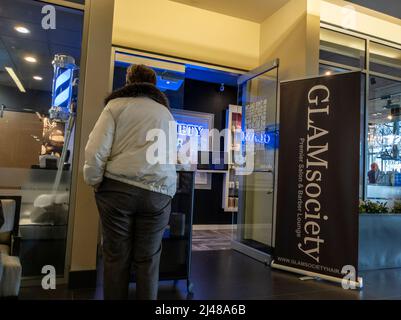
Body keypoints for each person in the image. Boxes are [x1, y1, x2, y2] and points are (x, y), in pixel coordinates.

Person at [83, 64, 177, 300]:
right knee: (148, 260)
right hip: (158, 194)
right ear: (153, 85)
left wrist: (94, 180)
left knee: (116, 257)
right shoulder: (166, 113)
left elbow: (96, 150)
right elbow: (170, 155)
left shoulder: (115, 107)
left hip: (118, 190)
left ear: (128, 81)